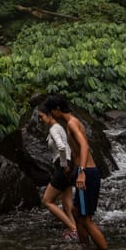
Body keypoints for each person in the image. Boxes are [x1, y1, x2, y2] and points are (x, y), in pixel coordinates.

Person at [41, 95, 108, 250]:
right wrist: (71, 168)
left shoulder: (71, 123)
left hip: (88, 173)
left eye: (51, 111)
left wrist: (82, 172)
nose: (51, 115)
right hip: (83, 170)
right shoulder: (72, 122)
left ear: (57, 109)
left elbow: (84, 146)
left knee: (85, 219)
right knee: (76, 212)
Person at [38, 103, 78, 242]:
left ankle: (73, 229)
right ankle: (78, 230)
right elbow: (67, 147)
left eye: (41, 116)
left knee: (47, 201)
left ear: (49, 115)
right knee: (67, 205)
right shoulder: (59, 127)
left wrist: (64, 165)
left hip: (62, 167)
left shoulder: (54, 129)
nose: (40, 120)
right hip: (68, 166)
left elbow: (61, 147)